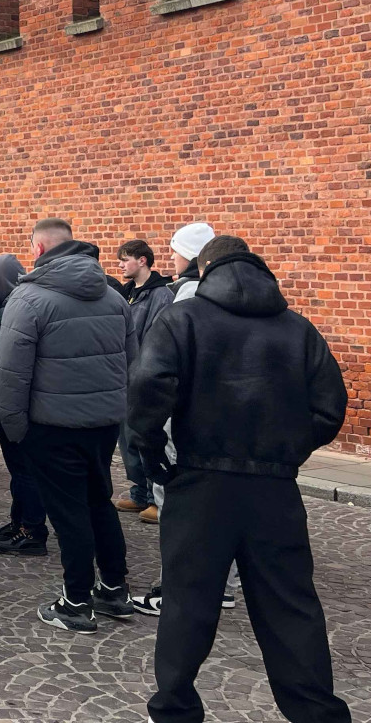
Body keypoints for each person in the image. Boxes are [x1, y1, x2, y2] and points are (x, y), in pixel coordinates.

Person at [128, 236, 350, 723]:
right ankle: (317, 714)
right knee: (290, 606)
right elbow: (329, 407)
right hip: (273, 486)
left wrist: (152, 452)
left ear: (205, 269)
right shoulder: (297, 328)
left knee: (187, 603)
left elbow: (147, 386)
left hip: (201, 479)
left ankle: (174, 710)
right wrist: (287, 451)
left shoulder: (184, 319)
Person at [0, 218, 133, 633]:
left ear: (38, 249)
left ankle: (76, 600)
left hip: (52, 425)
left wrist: (14, 429)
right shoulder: (114, 297)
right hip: (103, 422)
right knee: (99, 501)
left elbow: (10, 373)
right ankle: (114, 588)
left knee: (70, 511)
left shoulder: (29, 298)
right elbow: (133, 360)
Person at [139, 222, 215, 525]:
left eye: (176, 251)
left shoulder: (188, 294)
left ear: (191, 255)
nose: (171, 257)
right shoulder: (199, 289)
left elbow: (169, 354)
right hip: (208, 403)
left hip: (183, 401)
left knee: (175, 475)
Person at [0, 254, 48, 556]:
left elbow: (5, 359)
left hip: (16, 400)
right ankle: (20, 521)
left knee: (24, 468)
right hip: (22, 398)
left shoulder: (12, 307)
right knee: (20, 469)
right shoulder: (20, 302)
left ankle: (31, 529)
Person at [115, 239, 173, 514]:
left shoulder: (160, 295)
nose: (120, 265)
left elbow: (155, 337)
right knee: (127, 438)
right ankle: (139, 491)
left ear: (142, 260)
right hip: (124, 375)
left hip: (144, 376)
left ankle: (152, 497)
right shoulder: (126, 293)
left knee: (144, 436)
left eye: (125, 259)